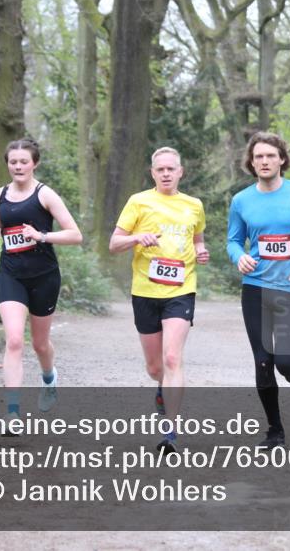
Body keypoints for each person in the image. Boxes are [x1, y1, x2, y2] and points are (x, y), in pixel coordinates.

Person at [226, 132, 290, 449]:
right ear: (251, 162)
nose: (265, 161)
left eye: (270, 155)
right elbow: (232, 240)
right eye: (259, 157)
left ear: (282, 159)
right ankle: (275, 430)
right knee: (261, 360)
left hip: (289, 290)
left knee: (286, 366)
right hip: (255, 289)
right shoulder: (241, 200)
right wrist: (239, 256)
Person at [110, 147, 209, 454]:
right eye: (160, 169)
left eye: (171, 169)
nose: (166, 173)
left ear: (180, 172)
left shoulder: (194, 205)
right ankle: (160, 387)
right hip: (145, 291)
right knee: (155, 366)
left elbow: (197, 240)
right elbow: (114, 244)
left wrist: (201, 252)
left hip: (181, 290)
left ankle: (170, 431)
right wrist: (136, 238)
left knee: (171, 359)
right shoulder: (138, 202)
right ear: (152, 173)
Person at [0, 138, 83, 422]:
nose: (18, 166)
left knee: (39, 344)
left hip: (44, 276)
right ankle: (12, 413)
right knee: (13, 341)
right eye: (13, 162)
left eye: (24, 161)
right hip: (11, 275)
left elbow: (75, 234)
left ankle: (49, 379)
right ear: (7, 164)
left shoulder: (45, 195)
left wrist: (42, 236)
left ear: (34, 163)